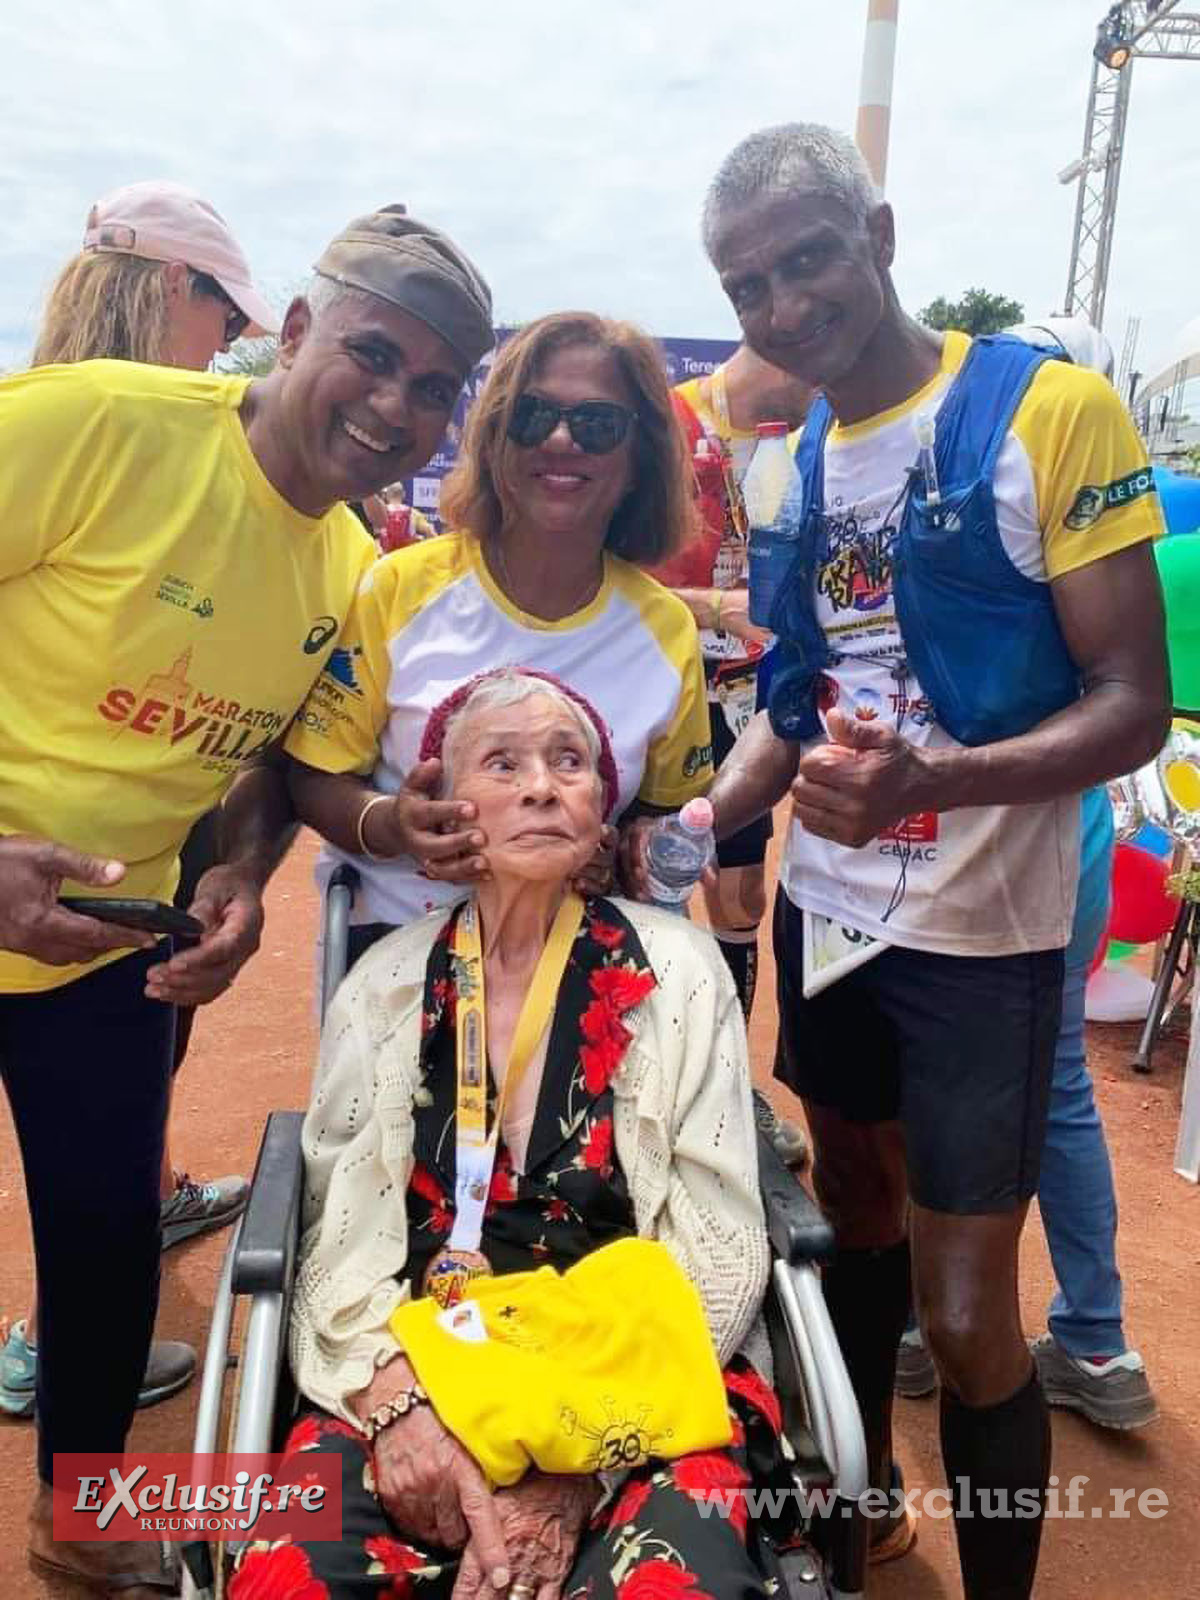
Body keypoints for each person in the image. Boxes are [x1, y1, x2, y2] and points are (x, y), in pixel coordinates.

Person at [697, 124, 1169, 1598]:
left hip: (984, 941)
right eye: (747, 283)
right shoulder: (794, 468)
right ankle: (847, 1543)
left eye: (807, 260)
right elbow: (790, 716)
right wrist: (681, 830)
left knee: (967, 1316)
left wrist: (937, 779)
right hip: (831, 922)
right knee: (851, 1217)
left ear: (882, 235)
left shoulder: (1051, 412)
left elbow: (1133, 708)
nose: (781, 308)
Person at [0, 201, 493, 1594]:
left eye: (432, 387)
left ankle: (79, 1522)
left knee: (101, 1255)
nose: (393, 405)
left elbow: (272, 761)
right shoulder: (94, 424)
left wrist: (238, 875)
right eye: (371, 353)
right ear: (290, 332)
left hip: (108, 953)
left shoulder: (349, 568)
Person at [233, 670, 785, 1600]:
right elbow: (341, 1236)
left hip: (639, 1376)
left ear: (599, 814)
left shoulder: (684, 972)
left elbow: (717, 1245)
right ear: (450, 814)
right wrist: (401, 1409)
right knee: (291, 1573)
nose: (540, 785)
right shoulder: (387, 985)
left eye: (567, 762)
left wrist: (577, 1458)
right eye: (503, 763)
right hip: (422, 1363)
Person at [0, 179, 275, 1424]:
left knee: (109, 1163)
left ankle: (82, 1374)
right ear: (179, 287)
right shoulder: (79, 423)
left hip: (123, 889)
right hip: (44, 867)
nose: (229, 344)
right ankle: (51, 1343)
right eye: (225, 314)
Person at [896, 319, 1157, 1429]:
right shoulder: (985, 464)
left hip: (1035, 840)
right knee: (1034, 1081)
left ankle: (1074, 1334)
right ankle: (1084, 1336)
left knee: (1032, 1079)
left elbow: (1121, 698)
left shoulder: (1056, 455)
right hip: (1025, 837)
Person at [285, 311, 713, 946]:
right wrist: (390, 825)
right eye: (532, 415)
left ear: (640, 454)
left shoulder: (665, 631)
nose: (562, 439)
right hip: (397, 955)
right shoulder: (397, 590)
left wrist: (624, 846)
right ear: (495, 437)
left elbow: (665, 808)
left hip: (587, 980)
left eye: (598, 425)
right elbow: (313, 773)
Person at [649, 347, 810, 1167]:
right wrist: (716, 607)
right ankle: (645, 1092)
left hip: (753, 701)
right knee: (650, 888)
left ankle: (725, 1087)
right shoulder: (666, 425)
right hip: (660, 694)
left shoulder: (814, 440)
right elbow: (602, 579)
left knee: (741, 896)